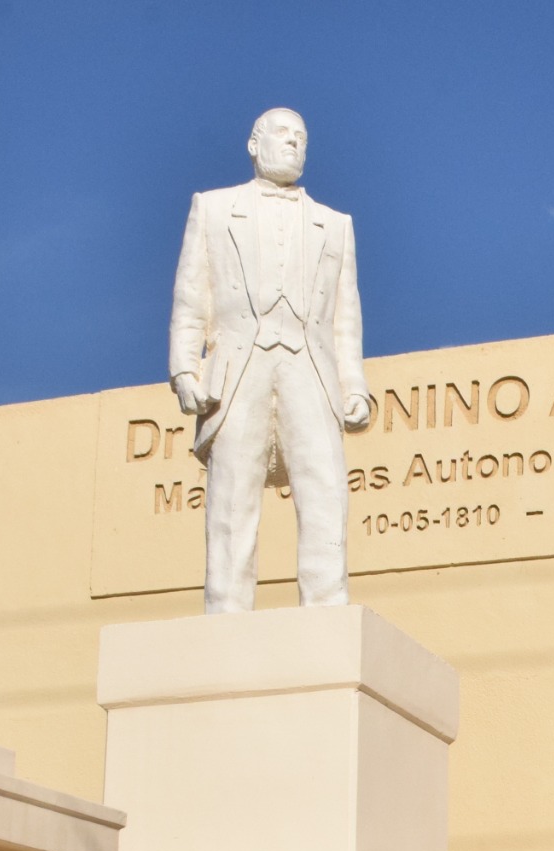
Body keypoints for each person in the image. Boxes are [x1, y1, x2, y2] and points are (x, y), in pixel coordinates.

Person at [169, 108, 374, 613]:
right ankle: (226, 611)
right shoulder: (213, 208)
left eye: (301, 137)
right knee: (231, 497)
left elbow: (345, 316)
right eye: (282, 134)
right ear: (253, 144)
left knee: (325, 488)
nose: (293, 143)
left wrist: (354, 386)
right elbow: (192, 296)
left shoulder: (336, 225)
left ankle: (327, 607)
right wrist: (184, 369)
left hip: (312, 369)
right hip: (238, 368)